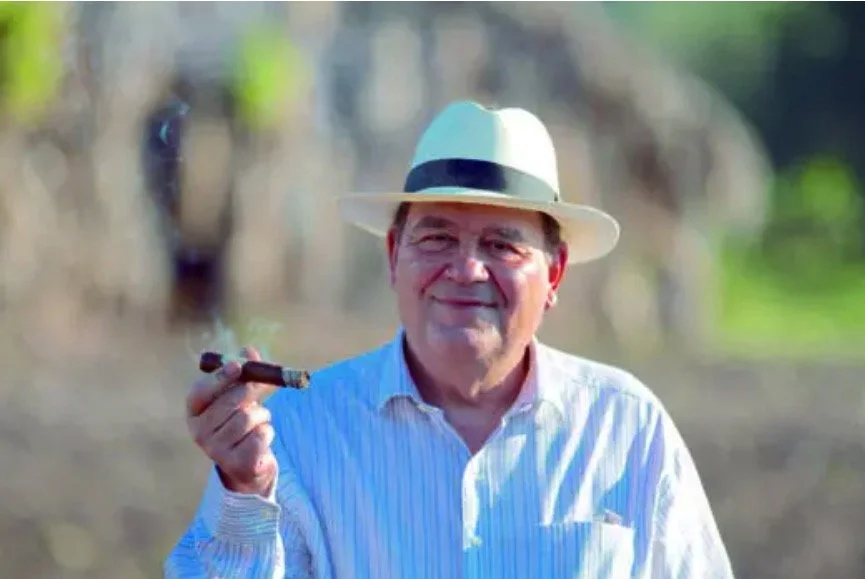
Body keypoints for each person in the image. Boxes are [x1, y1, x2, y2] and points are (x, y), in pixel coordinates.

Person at [165, 101, 735, 578]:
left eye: (502, 245)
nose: (465, 270)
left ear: (555, 273)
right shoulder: (296, 435)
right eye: (436, 238)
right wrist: (244, 490)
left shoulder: (626, 428)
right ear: (394, 256)